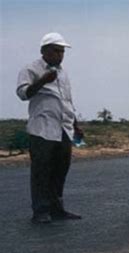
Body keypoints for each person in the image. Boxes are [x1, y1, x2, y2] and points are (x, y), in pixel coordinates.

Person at [16, 32, 83, 224]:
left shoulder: (62, 73)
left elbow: (67, 101)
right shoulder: (31, 69)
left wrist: (76, 126)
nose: (60, 55)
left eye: (62, 51)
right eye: (55, 51)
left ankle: (57, 209)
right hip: (42, 129)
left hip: (64, 128)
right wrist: (43, 80)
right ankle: (40, 211)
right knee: (41, 170)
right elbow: (23, 93)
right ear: (44, 51)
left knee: (60, 169)